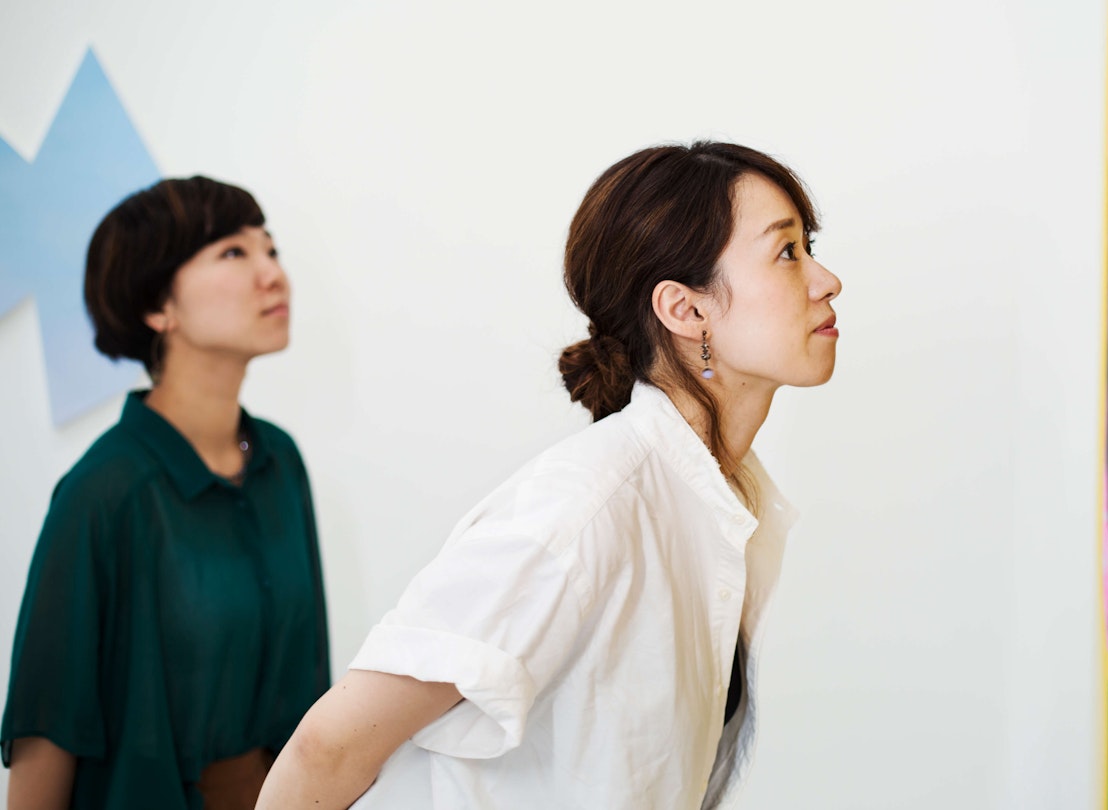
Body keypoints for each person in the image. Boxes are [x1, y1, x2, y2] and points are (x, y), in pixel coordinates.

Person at [256, 140, 842, 809]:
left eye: (811, 247)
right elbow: (326, 749)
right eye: (788, 251)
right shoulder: (585, 508)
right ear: (685, 309)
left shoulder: (733, 503)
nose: (827, 281)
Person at [1, 177, 330, 810]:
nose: (273, 275)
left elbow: (313, 686)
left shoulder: (280, 461)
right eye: (234, 254)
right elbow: (49, 730)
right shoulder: (103, 492)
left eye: (271, 249)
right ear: (159, 308)